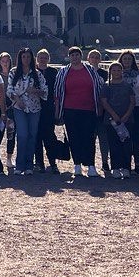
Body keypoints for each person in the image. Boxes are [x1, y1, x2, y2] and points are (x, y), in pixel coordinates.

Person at [54, 47, 104, 178]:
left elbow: (98, 87)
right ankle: (77, 165)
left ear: (81, 56)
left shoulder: (90, 70)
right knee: (74, 137)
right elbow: (58, 92)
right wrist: (58, 111)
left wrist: (99, 107)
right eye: (72, 55)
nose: (75, 57)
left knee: (89, 137)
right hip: (70, 109)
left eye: (77, 55)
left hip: (89, 109)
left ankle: (91, 165)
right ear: (69, 57)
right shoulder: (63, 71)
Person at [6, 48, 46, 176]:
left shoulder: (37, 74)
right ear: (20, 58)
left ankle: (29, 164)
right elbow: (9, 90)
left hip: (34, 108)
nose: (26, 59)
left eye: (28, 57)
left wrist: (35, 91)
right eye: (23, 57)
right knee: (22, 135)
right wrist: (17, 100)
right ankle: (19, 164)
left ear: (32, 58)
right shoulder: (13, 72)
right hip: (20, 107)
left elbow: (45, 91)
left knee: (32, 135)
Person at [102, 63, 136, 178]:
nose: (116, 72)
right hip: (111, 120)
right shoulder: (107, 86)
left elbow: (132, 101)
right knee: (113, 144)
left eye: (118, 70)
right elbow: (104, 102)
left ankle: (126, 168)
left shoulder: (127, 86)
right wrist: (114, 115)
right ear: (110, 71)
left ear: (122, 71)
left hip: (127, 120)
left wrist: (126, 115)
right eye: (114, 70)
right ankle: (115, 167)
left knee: (126, 145)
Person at [117, 50, 139, 173]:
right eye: (125, 59)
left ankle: (138, 162)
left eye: (129, 59)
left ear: (133, 61)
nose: (127, 61)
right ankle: (126, 163)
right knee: (125, 136)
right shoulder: (117, 74)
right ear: (121, 60)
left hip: (138, 108)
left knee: (137, 137)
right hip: (123, 108)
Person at [86, 49, 112, 174]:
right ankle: (90, 163)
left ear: (100, 60)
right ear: (88, 59)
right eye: (92, 57)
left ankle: (105, 162)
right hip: (88, 109)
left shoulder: (105, 73)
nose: (95, 59)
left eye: (97, 57)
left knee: (104, 137)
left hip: (103, 109)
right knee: (90, 138)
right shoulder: (84, 72)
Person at [34, 49, 60, 174]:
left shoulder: (53, 71)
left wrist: (57, 109)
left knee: (49, 136)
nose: (43, 59)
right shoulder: (32, 71)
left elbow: (56, 91)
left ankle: (52, 162)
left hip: (48, 107)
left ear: (48, 59)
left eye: (45, 57)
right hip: (34, 107)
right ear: (37, 58)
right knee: (37, 136)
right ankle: (39, 162)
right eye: (41, 57)